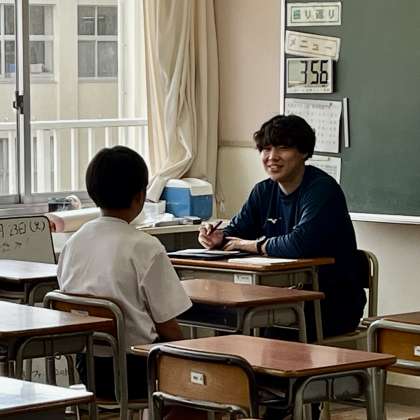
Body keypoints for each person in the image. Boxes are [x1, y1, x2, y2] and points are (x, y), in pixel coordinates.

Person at [199, 114, 366, 341]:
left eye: (283, 148)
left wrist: (251, 245)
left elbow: (299, 244)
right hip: (283, 297)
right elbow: (237, 231)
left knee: (258, 327)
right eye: (266, 149)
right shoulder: (264, 191)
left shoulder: (322, 189)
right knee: (227, 317)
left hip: (330, 301)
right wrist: (218, 238)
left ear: (303, 152)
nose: (272, 157)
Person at [57, 146, 192, 405]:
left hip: (87, 367)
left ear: (93, 193)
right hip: (137, 369)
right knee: (205, 381)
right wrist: (190, 355)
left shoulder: (74, 242)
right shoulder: (146, 247)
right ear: (140, 196)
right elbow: (167, 325)